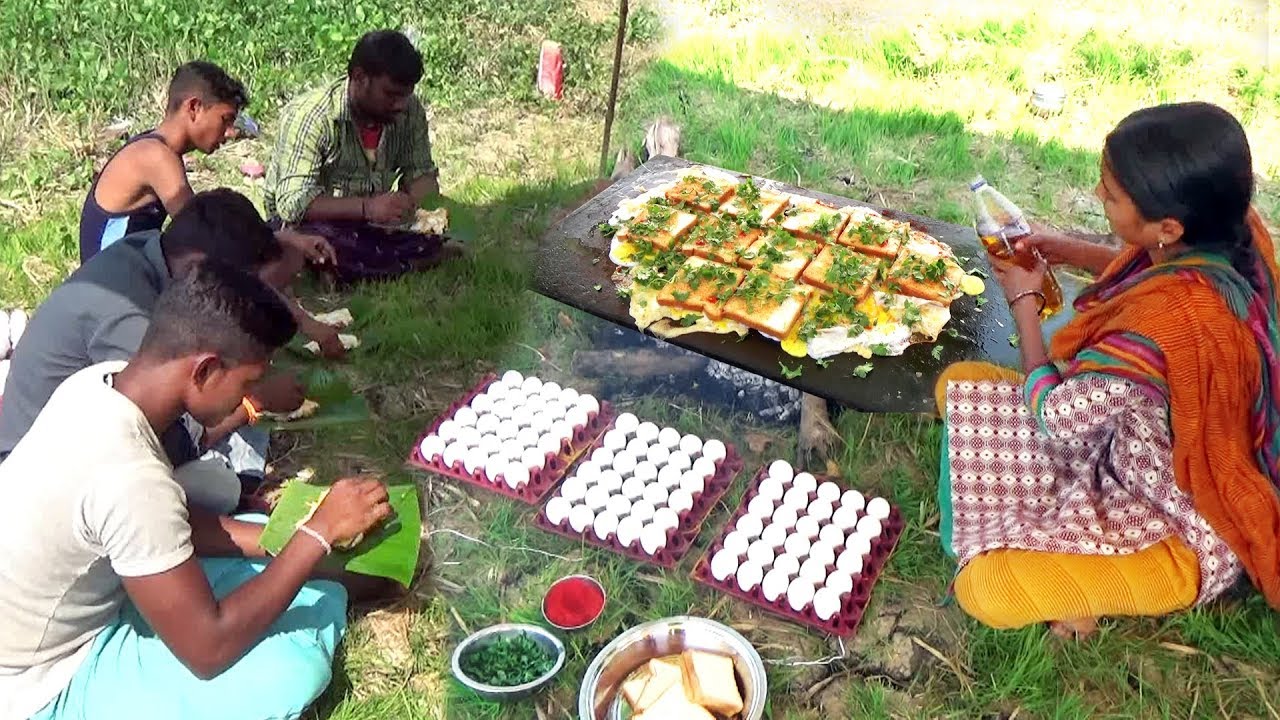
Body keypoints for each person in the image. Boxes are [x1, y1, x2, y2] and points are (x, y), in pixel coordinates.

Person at [935, 102, 1280, 636]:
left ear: (1167, 225)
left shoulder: (1164, 327)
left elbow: (1053, 415)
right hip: (1123, 440)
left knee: (988, 589)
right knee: (957, 386)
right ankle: (1067, 569)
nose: (1099, 196)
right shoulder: (1235, 232)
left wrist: (1024, 303)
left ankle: (1104, 588)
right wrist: (1062, 249)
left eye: (1112, 195)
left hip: (1181, 521)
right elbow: (1144, 264)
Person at [0, 261, 391, 720]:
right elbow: (209, 650)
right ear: (205, 371)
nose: (251, 396)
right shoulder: (128, 476)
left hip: (89, 597)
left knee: (265, 539)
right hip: (43, 682)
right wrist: (316, 537)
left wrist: (275, 540)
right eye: (248, 383)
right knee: (290, 670)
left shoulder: (102, 381)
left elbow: (170, 521)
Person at [0, 190, 309, 511]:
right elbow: (169, 443)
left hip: (81, 451)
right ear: (197, 267)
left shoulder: (152, 249)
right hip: (38, 480)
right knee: (219, 487)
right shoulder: (129, 315)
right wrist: (251, 405)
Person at [77, 61, 342, 295]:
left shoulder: (156, 149)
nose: (229, 133)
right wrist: (281, 244)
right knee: (247, 270)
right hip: (112, 289)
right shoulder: (157, 157)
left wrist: (283, 237)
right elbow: (207, 234)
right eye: (225, 120)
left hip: (128, 273)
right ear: (194, 107)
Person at [264, 29, 460, 284]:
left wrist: (422, 214)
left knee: (432, 234)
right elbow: (293, 204)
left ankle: (384, 261)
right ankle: (393, 262)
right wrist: (368, 208)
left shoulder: (409, 111)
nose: (400, 104)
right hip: (308, 225)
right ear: (359, 77)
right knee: (322, 241)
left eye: (406, 94)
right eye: (390, 94)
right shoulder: (311, 117)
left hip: (373, 224)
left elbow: (420, 174)